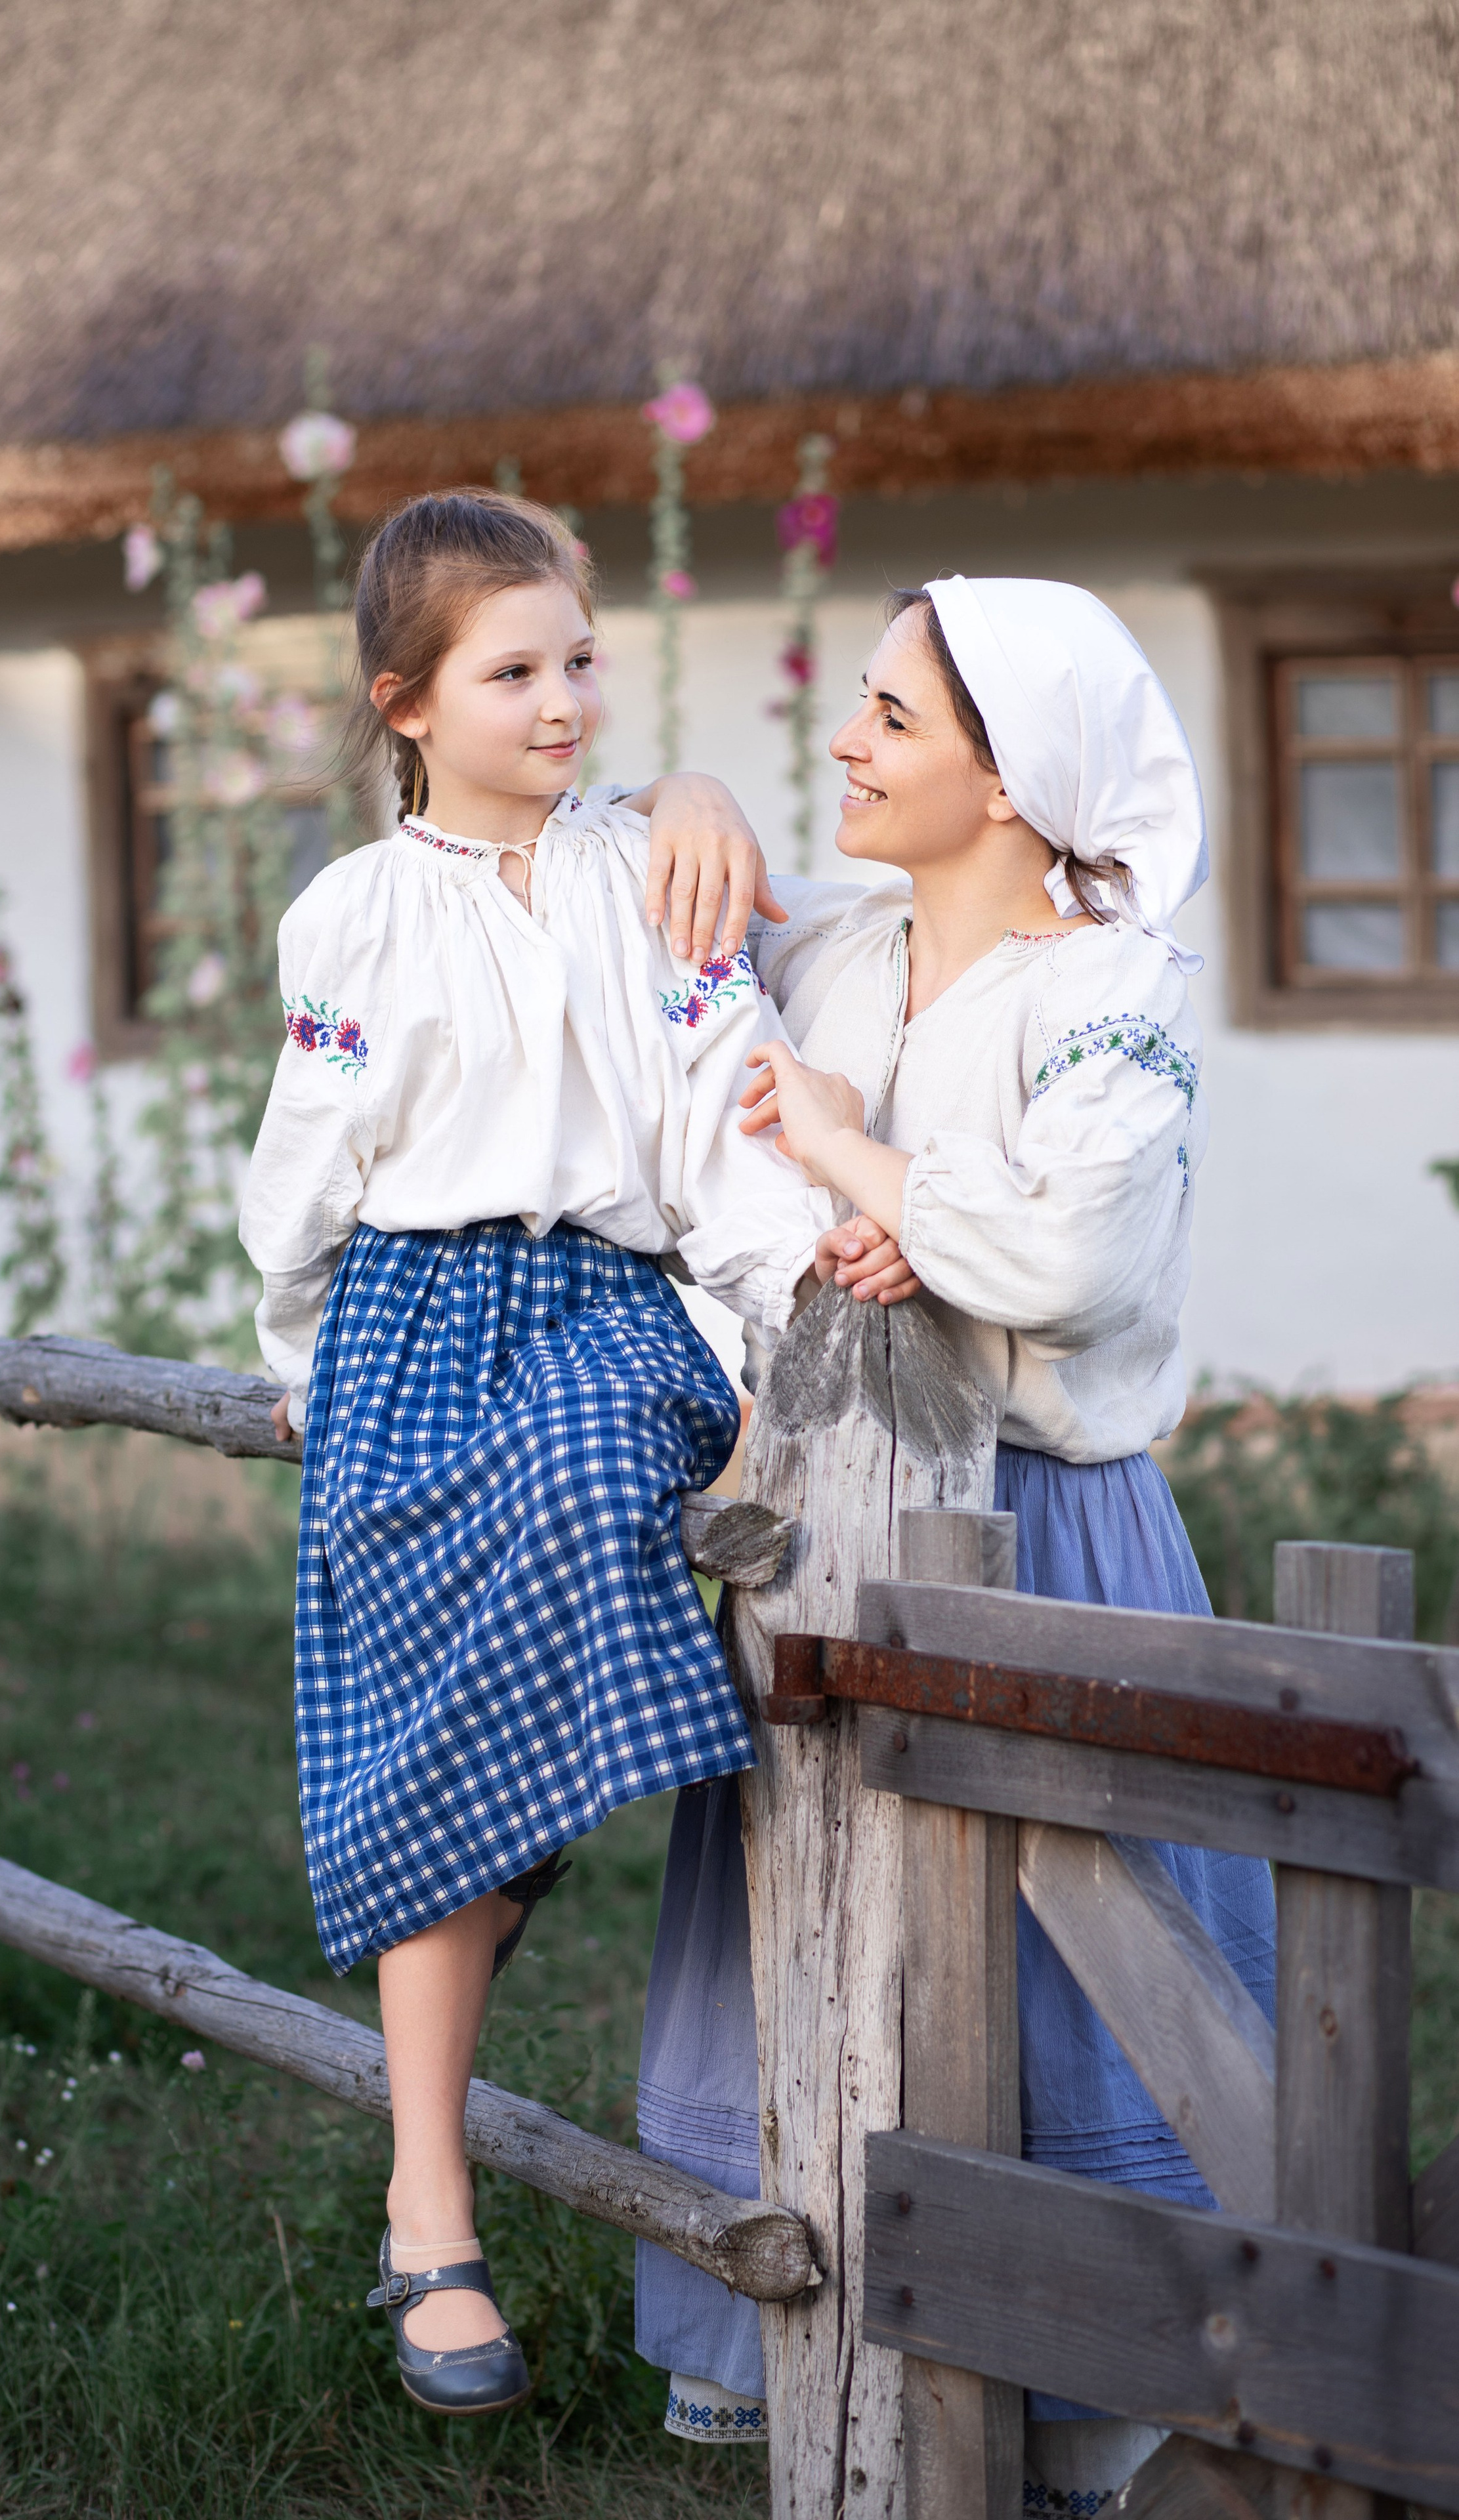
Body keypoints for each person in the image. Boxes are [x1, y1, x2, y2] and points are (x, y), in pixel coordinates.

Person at [633, 578, 1277, 2509]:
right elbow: (688, 1103)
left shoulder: (1111, 994)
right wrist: (677, 786)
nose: (849, 741)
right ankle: (810, 2358)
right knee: (809, 1950)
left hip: (1046, 1529)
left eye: (895, 718)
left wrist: (857, 1157)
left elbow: (1066, 1262)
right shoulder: (829, 949)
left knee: (1081, 1973)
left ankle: (1074, 2405)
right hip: (829, 1531)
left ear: (1011, 781)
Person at [240, 488, 835, 2418]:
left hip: (605, 1301)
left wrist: (760, 1343)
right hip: (411, 1317)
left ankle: (443, 2132)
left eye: (583, 658)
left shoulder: (638, 872)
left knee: (588, 1478)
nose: (564, 699)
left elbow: (724, 1115)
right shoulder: (348, 913)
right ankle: (432, 2205)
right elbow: (309, 1165)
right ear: (406, 701)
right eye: (516, 671)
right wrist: (301, 1352)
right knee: (417, 1674)